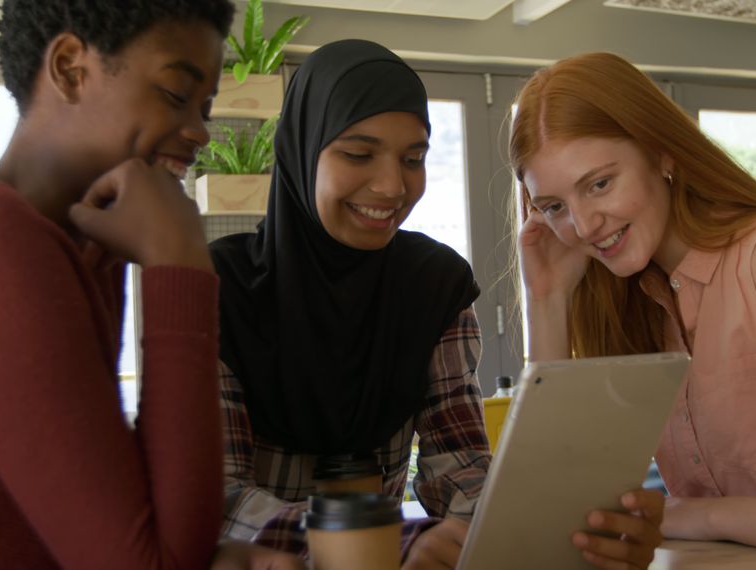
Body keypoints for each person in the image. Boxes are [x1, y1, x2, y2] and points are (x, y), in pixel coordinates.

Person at [0, 1, 299, 568]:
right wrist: (177, 264)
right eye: (176, 96)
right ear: (69, 68)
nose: (201, 133)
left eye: (204, 108)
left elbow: (153, 528)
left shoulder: (86, 249)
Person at [212, 39, 664, 570]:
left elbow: (458, 464)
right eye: (358, 154)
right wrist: (385, 539)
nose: (391, 185)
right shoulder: (217, 287)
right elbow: (217, 498)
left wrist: (527, 523)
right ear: (301, 151)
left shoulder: (432, 284)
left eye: (413, 159)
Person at [511, 51, 756, 563]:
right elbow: (559, 522)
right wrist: (547, 300)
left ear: (662, 154)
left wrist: (696, 514)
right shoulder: (626, 301)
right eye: (554, 207)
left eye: (599, 183)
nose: (585, 225)